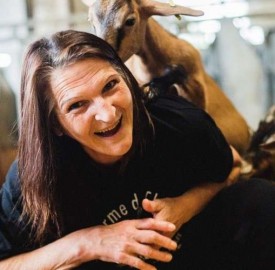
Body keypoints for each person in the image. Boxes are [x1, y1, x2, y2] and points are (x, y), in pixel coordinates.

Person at [0, 29, 274, 270]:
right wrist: (89, 242)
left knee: (258, 198)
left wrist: (184, 207)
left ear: (126, 79)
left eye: (110, 86)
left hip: (195, 254)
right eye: (77, 105)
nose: (107, 115)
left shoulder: (175, 122)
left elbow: (233, 165)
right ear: (55, 125)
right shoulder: (30, 179)